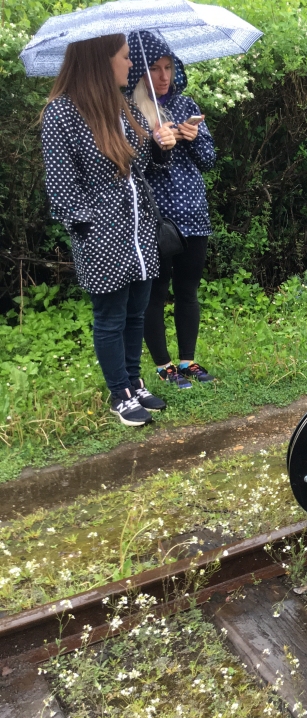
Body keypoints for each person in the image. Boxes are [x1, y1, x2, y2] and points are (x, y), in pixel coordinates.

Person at [42, 33, 178, 426]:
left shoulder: (118, 109)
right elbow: (63, 190)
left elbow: (139, 170)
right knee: (111, 314)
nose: (130, 65)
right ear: (100, 61)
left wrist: (159, 146)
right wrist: (91, 230)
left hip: (138, 230)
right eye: (123, 58)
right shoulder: (61, 113)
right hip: (102, 236)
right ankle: (119, 393)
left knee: (136, 311)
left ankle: (134, 382)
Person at [127, 31, 218, 389]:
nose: (163, 76)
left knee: (188, 289)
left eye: (168, 67)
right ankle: (164, 365)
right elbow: (129, 169)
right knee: (156, 292)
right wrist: (154, 143)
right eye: (154, 68)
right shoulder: (132, 111)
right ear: (140, 73)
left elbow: (209, 160)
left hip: (194, 212)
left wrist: (193, 140)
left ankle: (187, 360)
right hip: (157, 219)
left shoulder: (187, 105)